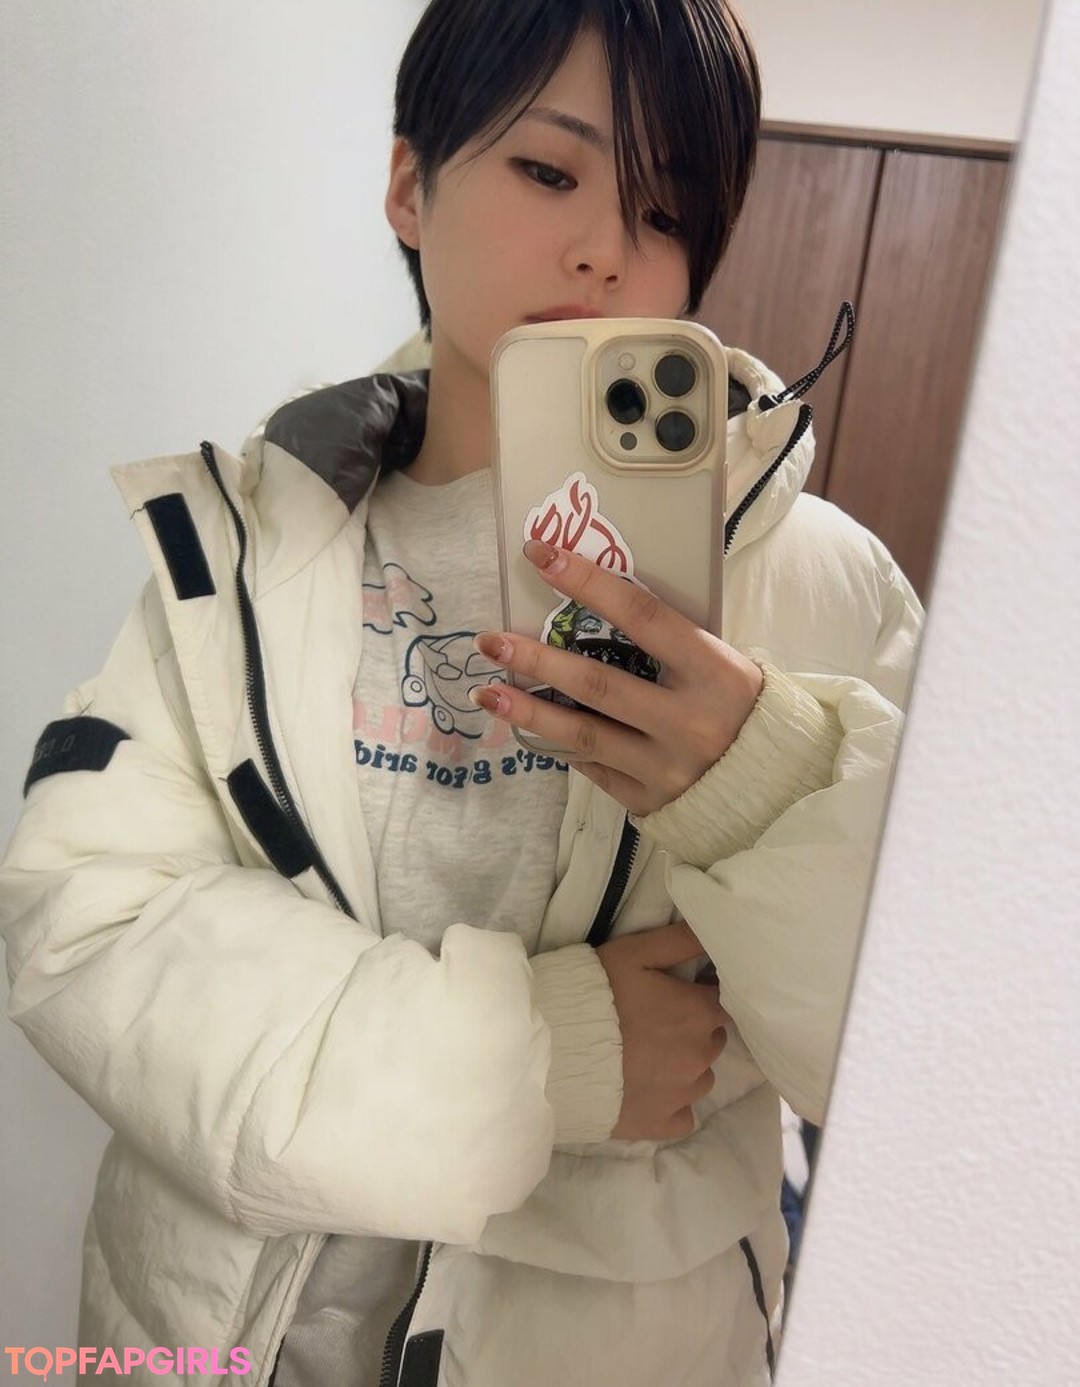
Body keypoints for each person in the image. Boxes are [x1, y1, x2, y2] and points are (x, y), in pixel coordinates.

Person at [0, 2, 922, 1384]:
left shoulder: (818, 587)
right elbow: (83, 925)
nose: (605, 249)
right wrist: (544, 1059)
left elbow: (919, 1066)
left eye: (664, 212)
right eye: (550, 171)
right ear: (407, 189)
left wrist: (760, 783)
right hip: (218, 1330)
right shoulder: (247, 545)